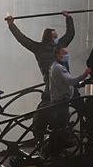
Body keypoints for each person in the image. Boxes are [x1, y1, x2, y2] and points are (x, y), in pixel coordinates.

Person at [6, 11, 75, 147]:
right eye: (54, 36)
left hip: (64, 82)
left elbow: (70, 34)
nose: (57, 38)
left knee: (65, 107)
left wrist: (69, 19)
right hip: (52, 84)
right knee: (51, 108)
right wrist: (12, 25)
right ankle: (51, 135)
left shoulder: (58, 46)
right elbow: (22, 39)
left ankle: (62, 133)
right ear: (49, 37)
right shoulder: (39, 48)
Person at [49, 47, 90, 157]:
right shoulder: (58, 68)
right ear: (58, 55)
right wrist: (84, 74)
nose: (67, 55)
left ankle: (55, 150)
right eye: (65, 53)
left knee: (61, 124)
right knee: (61, 125)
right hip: (61, 100)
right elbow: (70, 81)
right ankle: (56, 151)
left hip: (60, 99)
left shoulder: (56, 66)